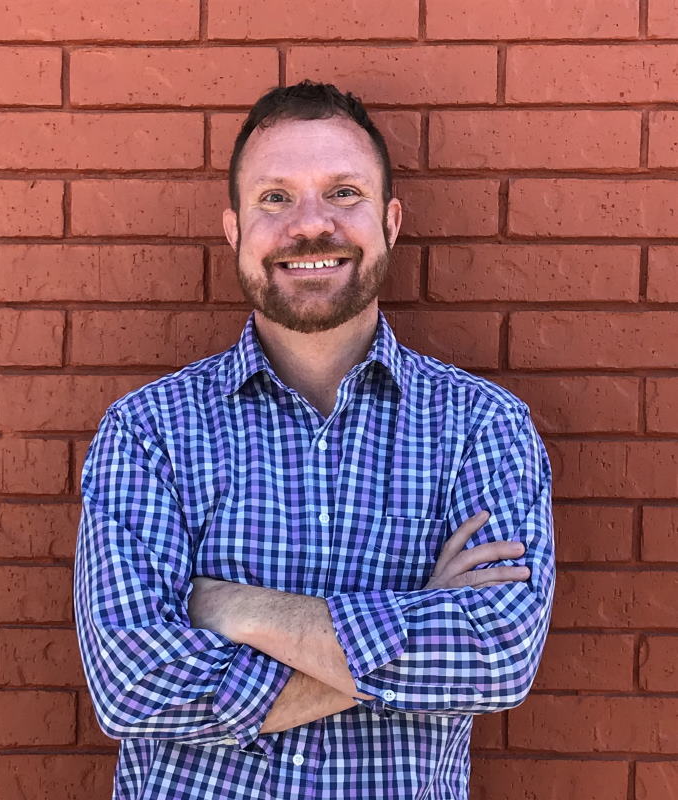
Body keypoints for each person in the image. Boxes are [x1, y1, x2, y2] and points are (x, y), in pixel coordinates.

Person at [74, 81, 555, 800]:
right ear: (233, 228)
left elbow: (497, 660)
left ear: (391, 221)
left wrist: (242, 611)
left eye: (343, 193)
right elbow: (132, 688)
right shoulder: (149, 432)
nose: (309, 225)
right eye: (274, 198)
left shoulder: (483, 428)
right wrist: (418, 619)